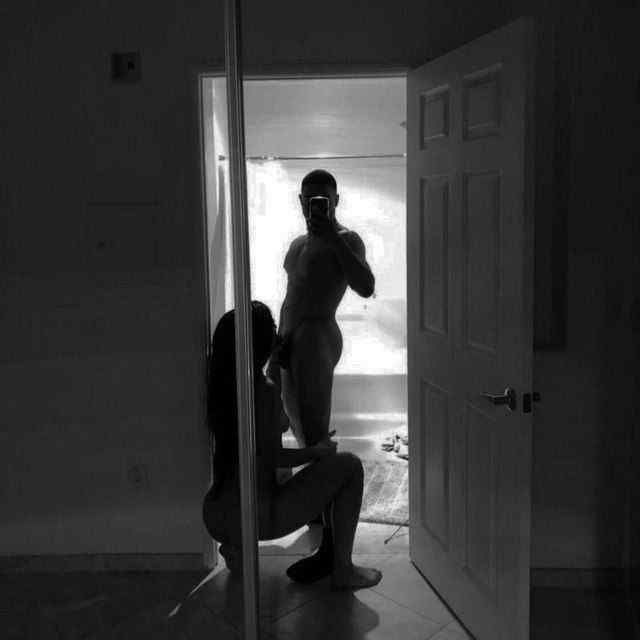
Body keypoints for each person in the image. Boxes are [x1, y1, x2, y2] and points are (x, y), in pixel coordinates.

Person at [202, 301, 382, 591]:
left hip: (216, 513)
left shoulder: (220, 388)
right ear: (260, 346)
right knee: (350, 467)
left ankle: (235, 548)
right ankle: (343, 570)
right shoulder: (263, 392)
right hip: (261, 515)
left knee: (257, 477)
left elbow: (254, 445)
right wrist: (316, 451)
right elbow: (273, 457)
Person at [267, 169, 375, 582]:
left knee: (315, 439)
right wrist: (275, 347)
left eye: (322, 198)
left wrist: (333, 238)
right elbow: (290, 297)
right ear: (299, 201)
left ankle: (334, 554)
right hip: (289, 342)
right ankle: (320, 521)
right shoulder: (298, 244)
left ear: (335, 201)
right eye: (307, 198)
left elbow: (366, 286)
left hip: (316, 338)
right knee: (300, 433)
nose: (314, 205)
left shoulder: (346, 239)